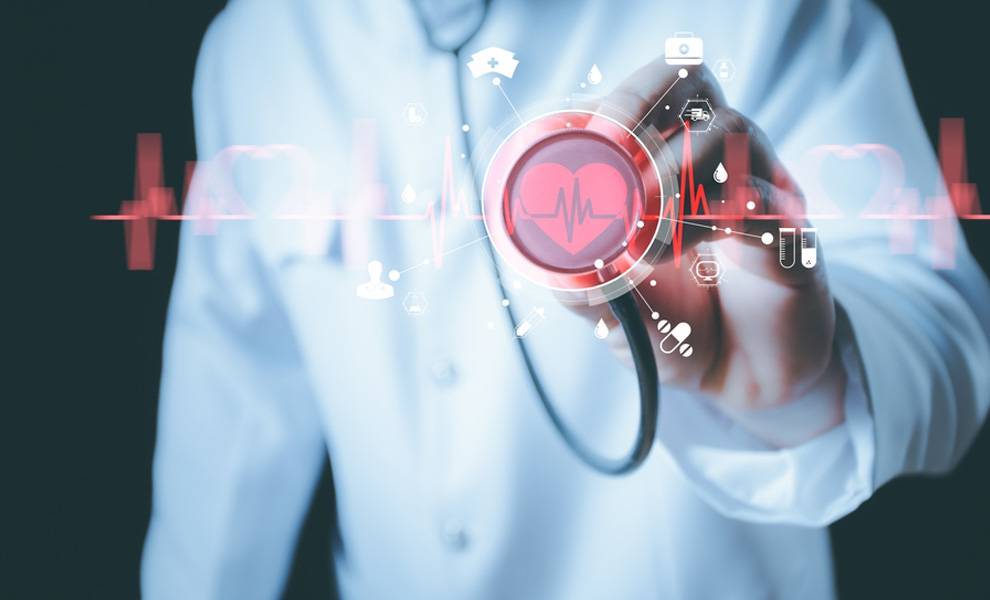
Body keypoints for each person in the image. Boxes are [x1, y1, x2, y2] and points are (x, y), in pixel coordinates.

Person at [142, 0, 990, 598]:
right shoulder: (251, 50)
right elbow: (229, 408)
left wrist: (810, 382)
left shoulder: (764, 10)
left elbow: (949, 333)